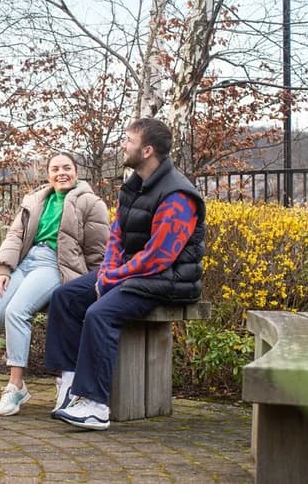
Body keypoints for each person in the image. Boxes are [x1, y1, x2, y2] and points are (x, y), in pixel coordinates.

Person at [46, 118, 206, 430]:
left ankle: (95, 406)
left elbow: (160, 256)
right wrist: (107, 272)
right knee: (65, 297)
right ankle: (70, 389)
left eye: (128, 140)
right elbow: (116, 237)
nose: (123, 145)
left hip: (168, 280)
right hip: (133, 275)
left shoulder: (178, 195)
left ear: (147, 150)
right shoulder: (133, 186)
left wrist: (113, 278)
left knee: (100, 313)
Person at [0, 152, 110, 416]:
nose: (61, 173)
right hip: (24, 264)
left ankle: (16, 387)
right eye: (55, 169)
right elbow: (15, 236)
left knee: (16, 312)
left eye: (67, 168)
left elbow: (99, 250)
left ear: (76, 172)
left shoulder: (91, 203)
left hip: (54, 265)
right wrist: (3, 270)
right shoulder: (36, 199)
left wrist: (93, 285)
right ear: (48, 174)